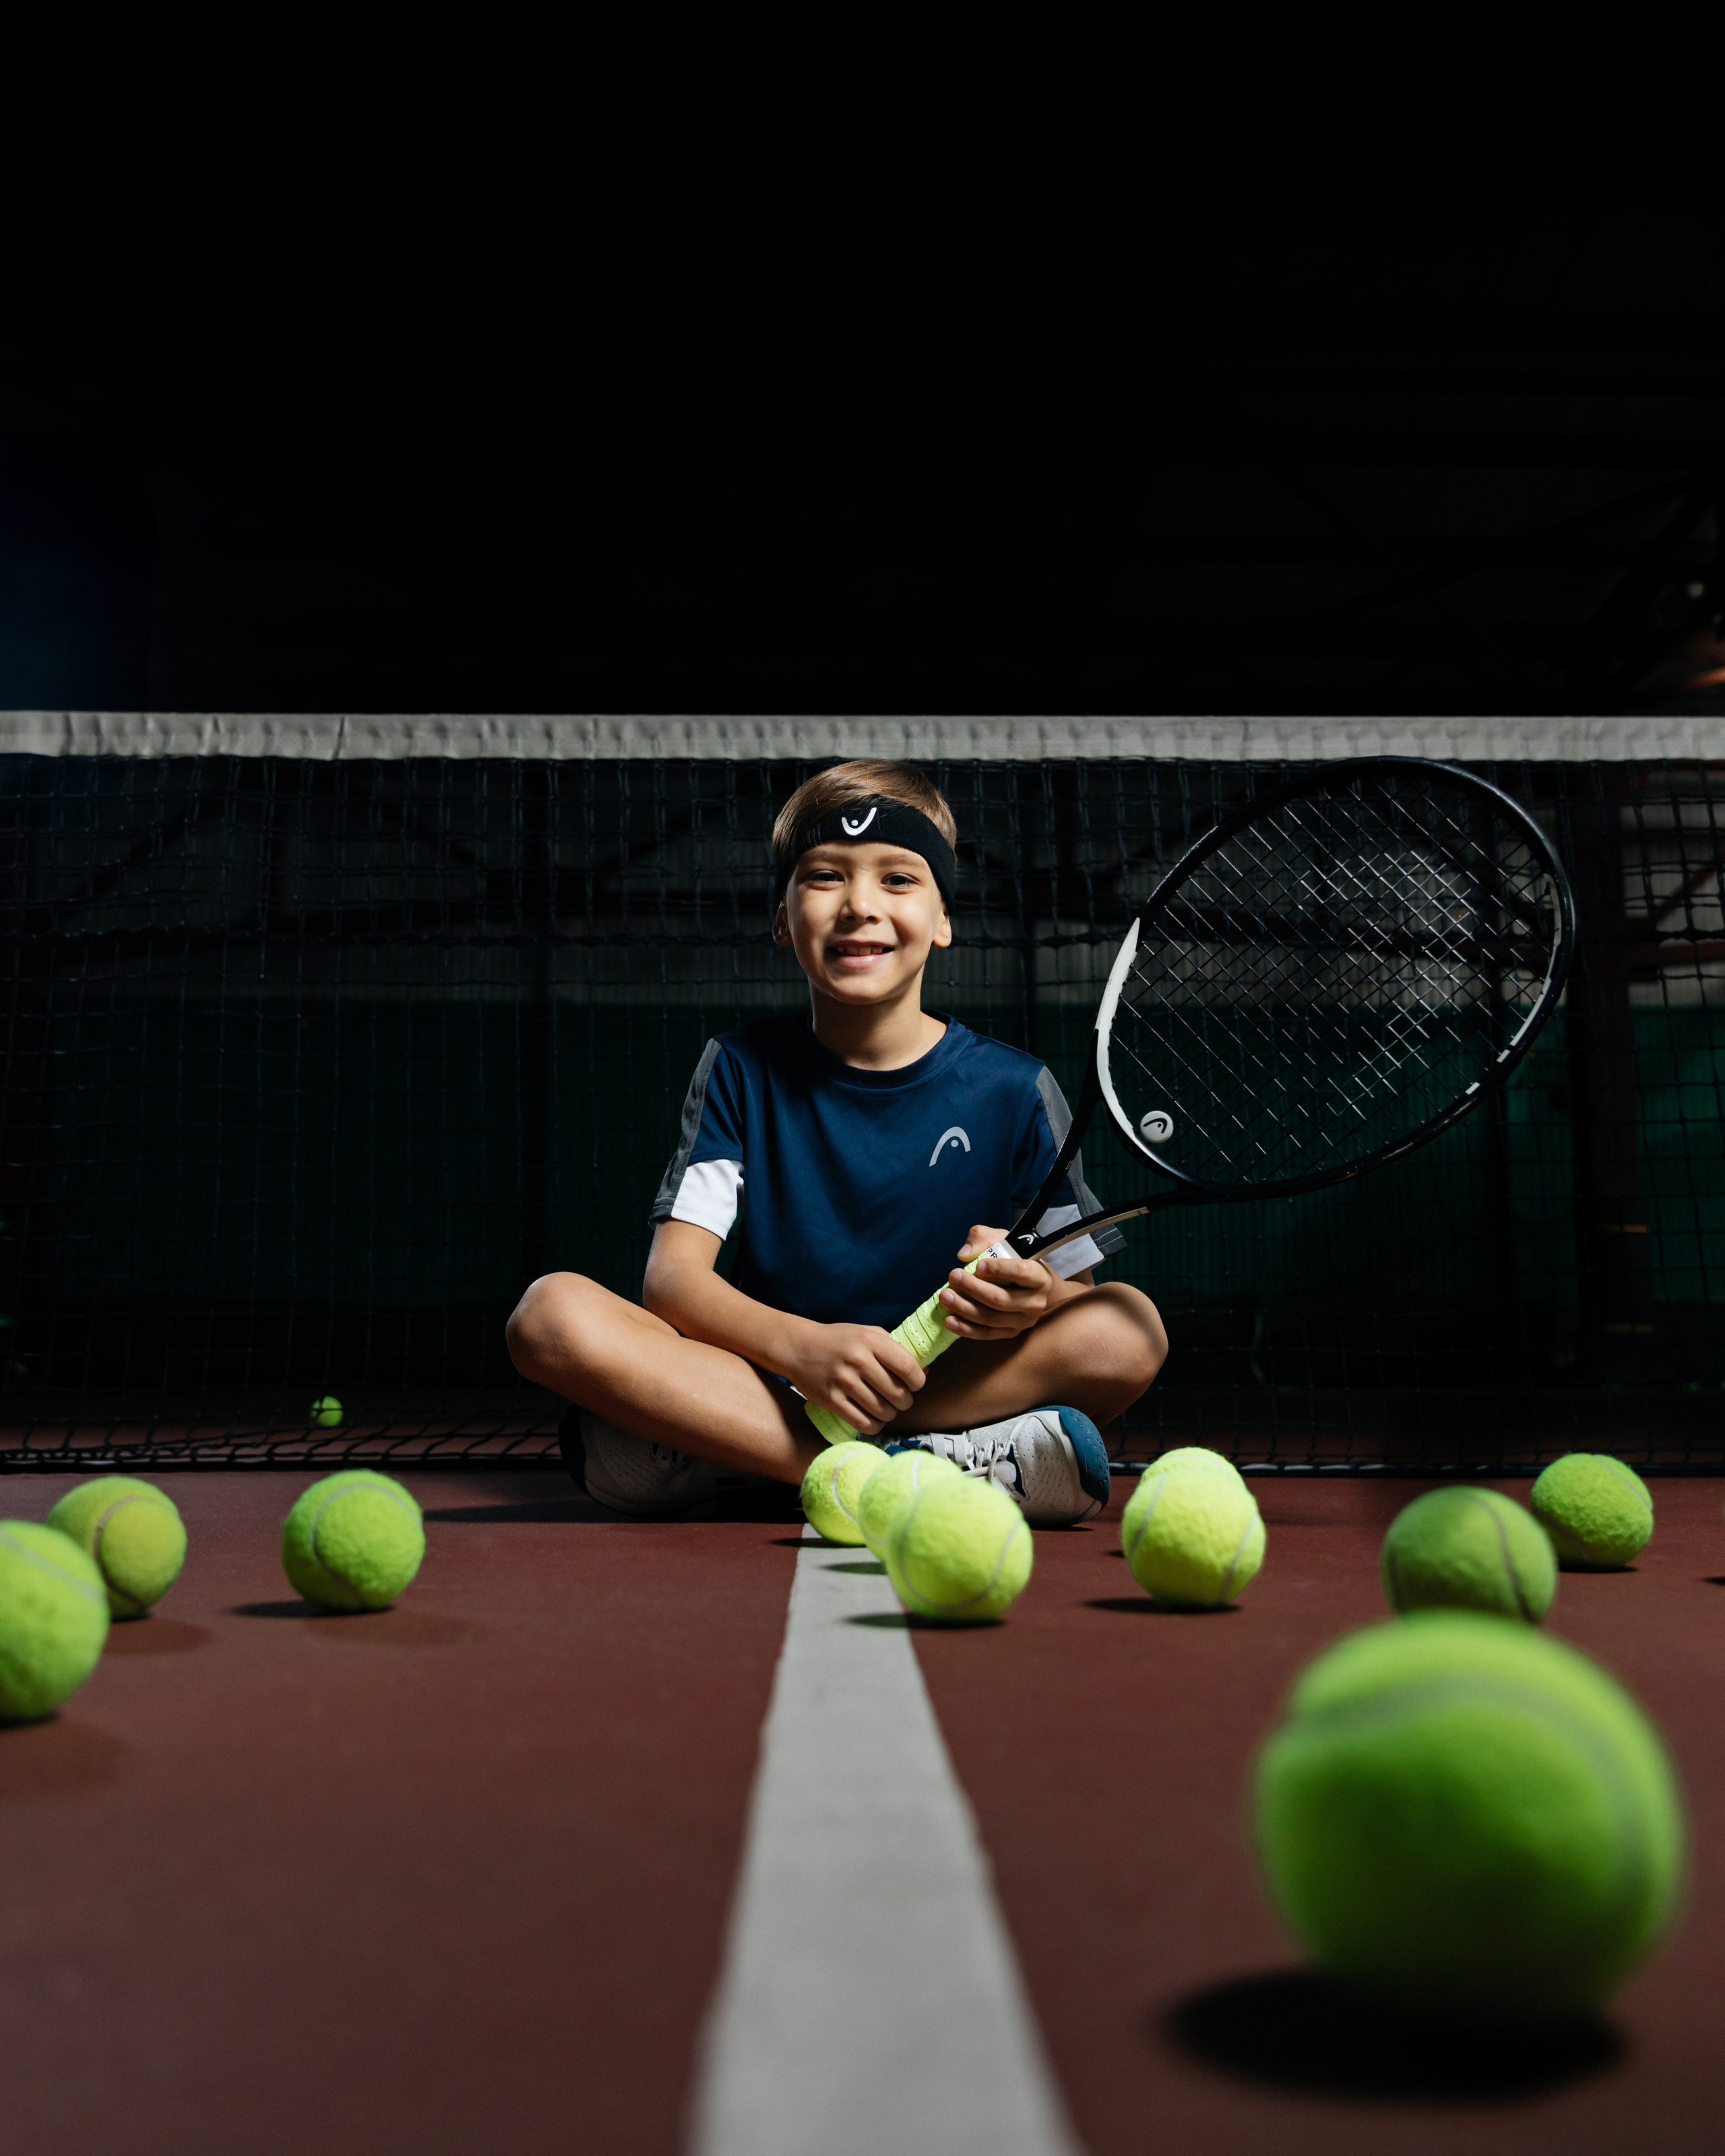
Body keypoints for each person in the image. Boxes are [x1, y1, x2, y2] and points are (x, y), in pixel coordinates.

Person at [506, 759, 1166, 1523]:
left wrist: (1030, 1299)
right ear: (783, 919)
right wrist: (805, 1351)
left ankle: (751, 1456)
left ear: (943, 919)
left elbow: (1076, 1297)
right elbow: (674, 1281)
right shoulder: (739, 1067)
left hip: (945, 1378)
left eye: (898, 878)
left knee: (1128, 1328)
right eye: (824, 877)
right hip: (771, 1374)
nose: (859, 905)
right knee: (549, 1314)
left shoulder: (1016, 1088)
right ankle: (921, 1468)